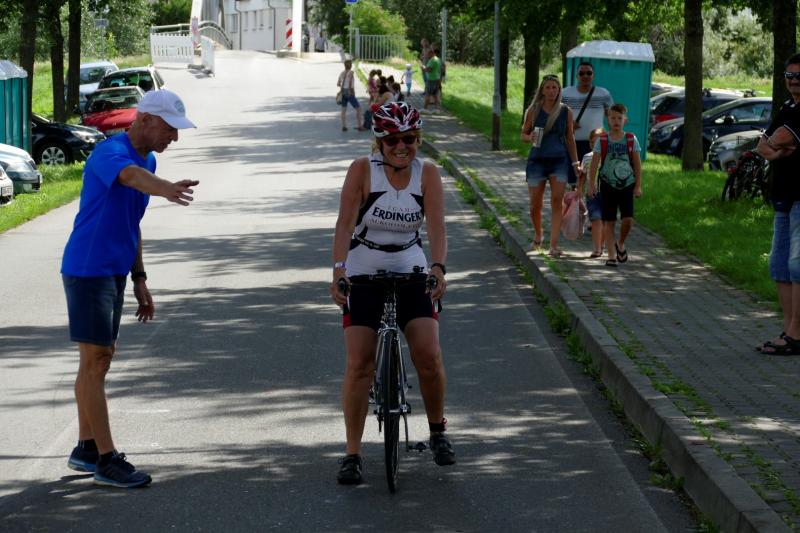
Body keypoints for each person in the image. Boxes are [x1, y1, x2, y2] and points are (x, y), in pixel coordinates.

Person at [61, 90, 199, 488]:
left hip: (114, 271)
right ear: (146, 120)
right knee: (96, 360)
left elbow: (131, 222)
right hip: (89, 268)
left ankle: (87, 448)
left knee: (98, 360)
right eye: (170, 129)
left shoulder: (149, 159)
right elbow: (130, 178)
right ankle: (107, 460)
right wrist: (166, 187)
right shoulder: (111, 153)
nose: (174, 137)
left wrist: (139, 278)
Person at [329, 102, 455, 485]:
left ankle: (437, 430)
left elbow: (437, 228)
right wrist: (339, 270)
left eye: (410, 139)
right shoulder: (362, 170)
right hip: (363, 266)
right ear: (379, 142)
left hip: (410, 265)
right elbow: (344, 223)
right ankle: (352, 453)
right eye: (393, 140)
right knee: (359, 364)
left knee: (429, 355)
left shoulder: (426, 174)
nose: (402, 147)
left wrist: (438, 267)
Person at [754, 53, 800, 356]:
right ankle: (788, 331)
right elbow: (764, 144)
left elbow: (781, 136)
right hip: (783, 196)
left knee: (798, 266)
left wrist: (776, 145)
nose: (794, 81)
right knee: (780, 265)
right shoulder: (787, 108)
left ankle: (797, 334)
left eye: (799, 76)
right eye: (789, 75)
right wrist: (779, 150)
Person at [520, 75, 580, 257]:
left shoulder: (566, 111)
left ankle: (553, 245)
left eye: (555, 87)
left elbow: (570, 138)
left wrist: (575, 163)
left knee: (556, 200)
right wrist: (529, 137)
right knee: (535, 205)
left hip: (559, 161)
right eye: (548, 87)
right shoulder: (534, 110)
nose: (552, 91)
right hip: (537, 161)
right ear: (542, 90)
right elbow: (523, 134)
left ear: (559, 90)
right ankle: (539, 234)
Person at [586, 103, 642, 268]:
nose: (616, 121)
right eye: (613, 118)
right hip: (607, 185)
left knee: (628, 220)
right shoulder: (602, 140)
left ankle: (621, 243)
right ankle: (611, 256)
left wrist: (638, 186)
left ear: (625, 120)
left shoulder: (631, 139)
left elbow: (637, 164)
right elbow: (594, 164)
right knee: (609, 221)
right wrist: (591, 184)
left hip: (627, 184)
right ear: (608, 120)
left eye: (619, 118)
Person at [561, 61, 614, 187]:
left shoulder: (603, 94)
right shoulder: (565, 93)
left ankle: (592, 199)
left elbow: (611, 116)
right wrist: (568, 123)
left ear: (593, 75)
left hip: (596, 144)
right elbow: (555, 115)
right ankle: (574, 198)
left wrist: (613, 136)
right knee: (573, 178)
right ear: (577, 76)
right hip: (571, 143)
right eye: (582, 73)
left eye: (589, 73)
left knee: (594, 179)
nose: (585, 76)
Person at [577, 128, 606, 258]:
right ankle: (596, 248)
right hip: (592, 193)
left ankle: (602, 244)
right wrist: (579, 189)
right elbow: (583, 175)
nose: (596, 144)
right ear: (590, 143)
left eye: (600, 142)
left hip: (608, 194)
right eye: (593, 142)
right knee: (595, 219)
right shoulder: (587, 157)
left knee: (605, 221)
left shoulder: (609, 157)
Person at [337, 59, 366, 132]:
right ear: (350, 66)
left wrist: (343, 86)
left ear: (344, 65)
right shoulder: (351, 72)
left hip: (343, 92)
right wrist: (352, 91)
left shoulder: (341, 73)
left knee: (343, 110)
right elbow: (350, 83)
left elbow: (338, 84)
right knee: (358, 109)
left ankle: (344, 126)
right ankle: (360, 126)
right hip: (349, 92)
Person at [422, 47, 442, 112]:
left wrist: (423, 68)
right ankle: (437, 109)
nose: (427, 55)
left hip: (431, 79)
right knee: (435, 95)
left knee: (427, 94)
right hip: (437, 78)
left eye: (428, 54)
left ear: (431, 53)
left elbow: (429, 70)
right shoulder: (438, 59)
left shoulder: (432, 60)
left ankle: (425, 108)